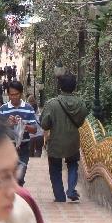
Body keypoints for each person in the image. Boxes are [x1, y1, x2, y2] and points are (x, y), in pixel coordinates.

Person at [40, 73, 87, 203]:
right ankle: (71, 189)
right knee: (72, 164)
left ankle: (59, 196)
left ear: (60, 87)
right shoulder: (81, 103)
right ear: (74, 87)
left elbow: (44, 124)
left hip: (56, 141)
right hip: (73, 141)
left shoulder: (52, 104)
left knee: (55, 168)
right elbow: (81, 121)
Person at [0, 81, 38, 187]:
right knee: (8, 176)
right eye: (11, 94)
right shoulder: (3, 109)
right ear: (8, 94)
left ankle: (19, 194)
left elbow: (34, 129)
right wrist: (8, 123)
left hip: (24, 147)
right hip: (7, 147)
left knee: (20, 176)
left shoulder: (28, 109)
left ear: (21, 93)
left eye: (16, 94)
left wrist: (24, 125)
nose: (14, 97)